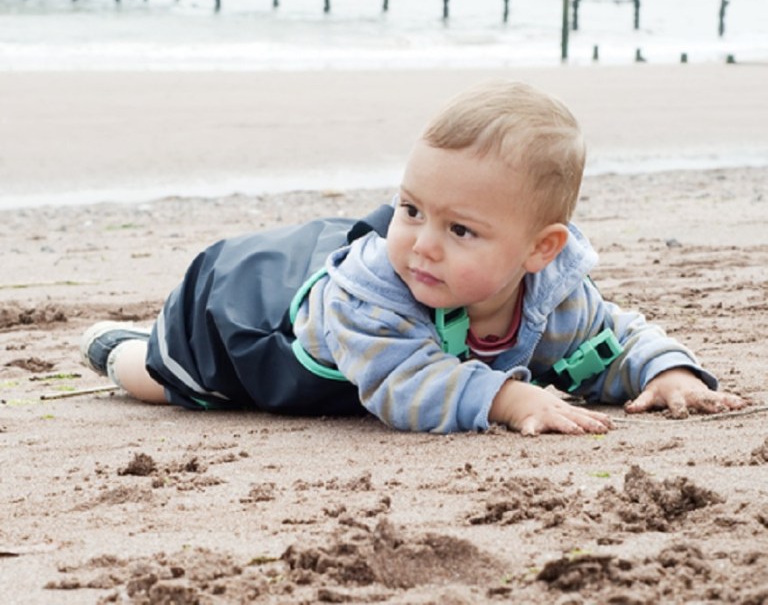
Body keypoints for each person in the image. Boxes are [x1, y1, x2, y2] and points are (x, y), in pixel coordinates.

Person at [80, 80, 747, 435]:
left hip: (304, 312)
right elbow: (404, 387)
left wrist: (667, 371)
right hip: (237, 318)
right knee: (171, 382)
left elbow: (609, 342)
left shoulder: (553, 293)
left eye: (461, 230)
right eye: (410, 209)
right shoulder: (372, 293)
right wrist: (508, 398)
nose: (424, 244)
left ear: (540, 249)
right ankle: (117, 349)